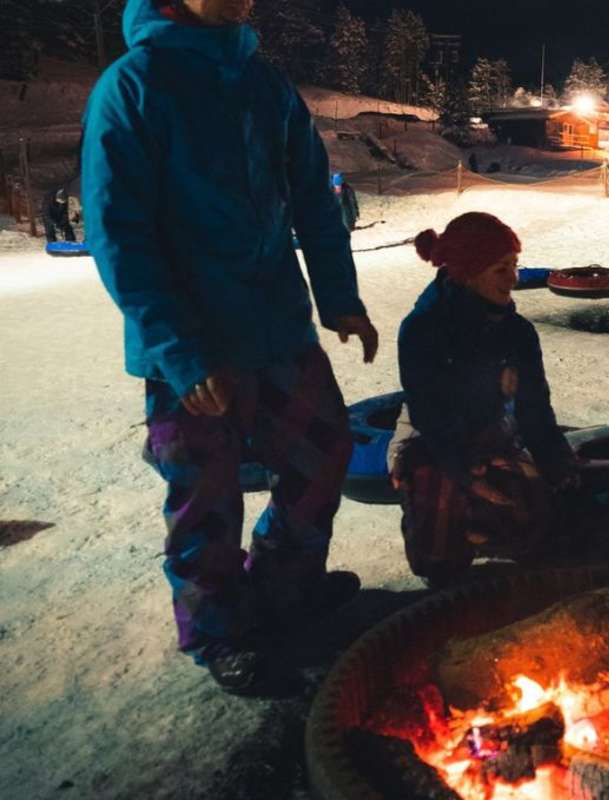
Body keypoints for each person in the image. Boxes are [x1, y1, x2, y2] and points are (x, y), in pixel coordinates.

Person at [82, 0, 380, 694]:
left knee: (324, 451)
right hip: (192, 344)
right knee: (205, 496)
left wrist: (339, 297)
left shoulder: (261, 81)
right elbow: (118, 234)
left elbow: (313, 196)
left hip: (279, 328)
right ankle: (218, 629)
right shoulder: (134, 86)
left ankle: (283, 589)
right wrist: (178, 352)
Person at [390, 212, 579, 585]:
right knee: (440, 494)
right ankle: (442, 571)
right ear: (467, 272)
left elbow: (534, 411)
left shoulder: (518, 334)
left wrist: (561, 471)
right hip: (431, 440)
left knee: (541, 512)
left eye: (515, 266)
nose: (514, 279)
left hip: (496, 435)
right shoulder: (422, 330)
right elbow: (431, 417)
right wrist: (467, 473)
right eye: (500, 269)